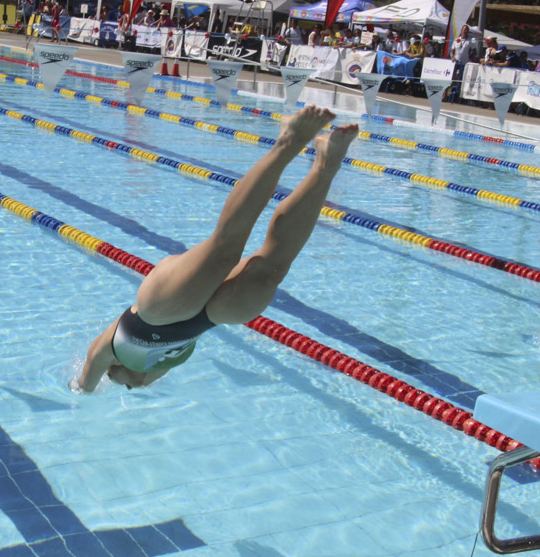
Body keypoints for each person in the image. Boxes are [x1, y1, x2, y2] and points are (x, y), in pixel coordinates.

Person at [75, 106, 359, 392]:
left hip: (158, 312)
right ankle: (326, 164)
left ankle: (288, 142)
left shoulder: (104, 354)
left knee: (224, 250)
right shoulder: (148, 372)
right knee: (269, 269)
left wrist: (82, 392)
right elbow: (139, 377)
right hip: (206, 320)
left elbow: (87, 383)